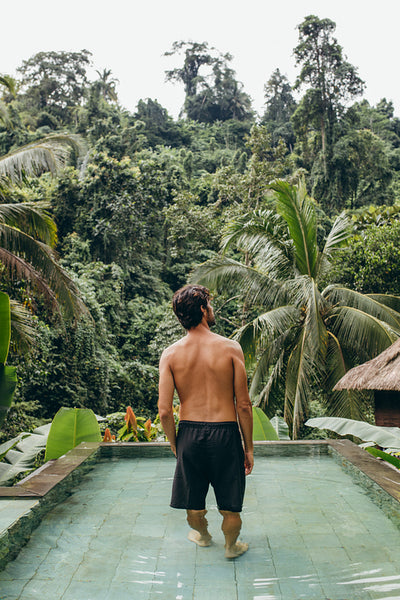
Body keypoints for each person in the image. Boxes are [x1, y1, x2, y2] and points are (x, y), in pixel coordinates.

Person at [158, 284, 254, 559]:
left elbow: (164, 411)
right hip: (225, 433)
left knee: (193, 503)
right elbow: (244, 405)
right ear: (202, 309)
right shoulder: (230, 348)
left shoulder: (171, 354)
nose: (211, 309)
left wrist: (177, 446)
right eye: (209, 305)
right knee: (230, 506)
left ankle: (202, 534)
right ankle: (231, 547)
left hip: (189, 433)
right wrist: (248, 448)